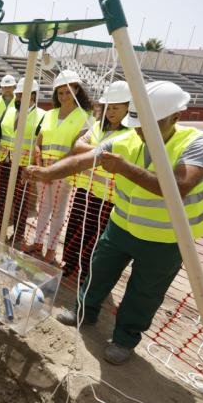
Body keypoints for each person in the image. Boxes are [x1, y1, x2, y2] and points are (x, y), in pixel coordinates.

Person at [24, 81, 203, 365]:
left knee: (144, 292)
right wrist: (46, 172)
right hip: (121, 227)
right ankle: (84, 312)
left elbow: (178, 186)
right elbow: (82, 161)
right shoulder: (126, 140)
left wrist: (124, 167)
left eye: (149, 123)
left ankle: (125, 339)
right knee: (98, 272)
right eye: (137, 124)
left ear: (175, 117)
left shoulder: (199, 143)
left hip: (166, 239)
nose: (140, 130)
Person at [61, 81, 132, 281]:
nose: (110, 112)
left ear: (128, 107)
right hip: (86, 190)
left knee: (96, 237)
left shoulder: (131, 133)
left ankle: (86, 272)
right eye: (107, 107)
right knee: (75, 228)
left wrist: (95, 149)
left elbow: (112, 155)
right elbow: (77, 145)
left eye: (116, 108)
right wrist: (102, 151)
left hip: (108, 198)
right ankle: (70, 264)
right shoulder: (97, 127)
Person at [25, 69, 92, 264]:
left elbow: (77, 148)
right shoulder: (49, 114)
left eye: (68, 92)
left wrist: (55, 169)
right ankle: (38, 243)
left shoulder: (85, 116)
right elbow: (40, 139)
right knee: (43, 207)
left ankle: (51, 250)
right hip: (42, 168)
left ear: (77, 90)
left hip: (65, 172)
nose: (63, 96)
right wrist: (38, 155)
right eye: (60, 93)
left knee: (58, 211)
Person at [0, 78, 45, 246]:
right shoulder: (9, 111)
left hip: (23, 165)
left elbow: (40, 143)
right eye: (18, 95)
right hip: (4, 160)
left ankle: (18, 232)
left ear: (33, 96)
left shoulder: (41, 116)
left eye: (22, 95)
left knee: (20, 200)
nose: (18, 98)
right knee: (2, 195)